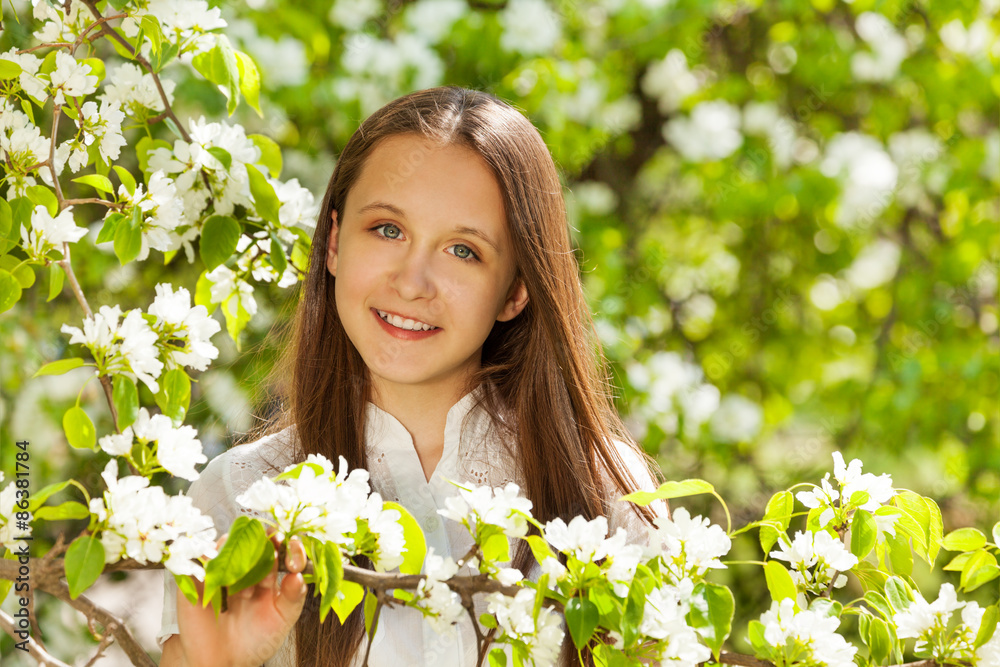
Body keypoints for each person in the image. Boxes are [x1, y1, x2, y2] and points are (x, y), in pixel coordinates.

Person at [158, 85, 665, 667]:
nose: (413, 281)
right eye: (387, 230)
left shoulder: (603, 494)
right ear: (332, 242)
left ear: (517, 290)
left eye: (463, 251)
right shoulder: (242, 499)